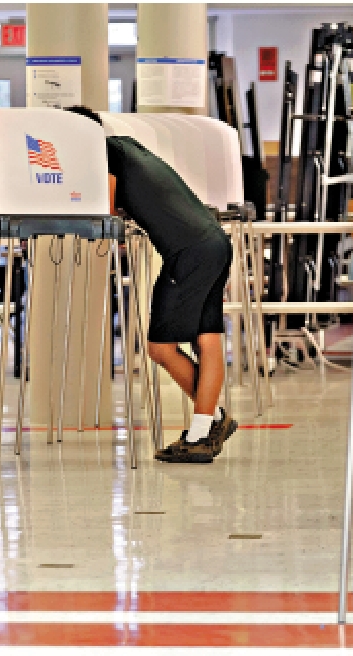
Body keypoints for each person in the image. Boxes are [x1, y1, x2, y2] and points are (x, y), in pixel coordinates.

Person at [66, 105, 237, 464]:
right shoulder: (128, 145)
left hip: (187, 254)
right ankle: (205, 427)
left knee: (160, 347)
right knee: (207, 340)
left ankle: (209, 425)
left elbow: (107, 208)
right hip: (214, 243)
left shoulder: (105, 152)